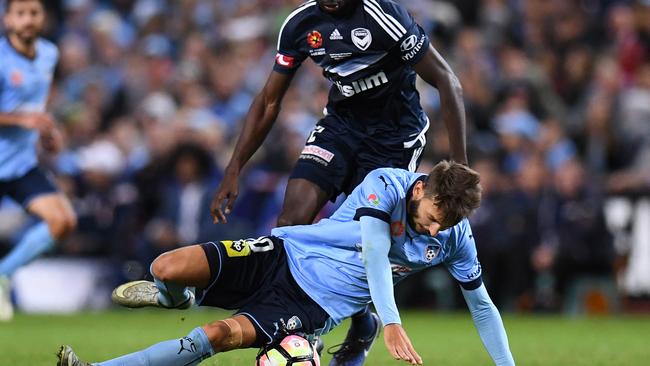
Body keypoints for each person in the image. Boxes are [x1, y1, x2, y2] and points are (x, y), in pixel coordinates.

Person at [58, 161, 514, 366]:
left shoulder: (455, 235)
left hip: (314, 303)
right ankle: (172, 297)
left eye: (448, 223)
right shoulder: (387, 184)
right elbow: (375, 249)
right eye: (435, 217)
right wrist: (391, 321)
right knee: (166, 266)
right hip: (285, 252)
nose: (437, 231)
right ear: (420, 191)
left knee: (219, 336)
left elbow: (482, 306)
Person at [210, 0, 468, 362]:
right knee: (290, 221)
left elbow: (446, 80)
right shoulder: (300, 24)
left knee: (367, 242)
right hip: (340, 130)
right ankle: (294, 326)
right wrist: (235, 166)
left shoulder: (385, 16)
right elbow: (270, 100)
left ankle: (363, 323)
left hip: (394, 139)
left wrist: (461, 169)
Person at [0, 0, 77, 321]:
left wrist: (47, 131)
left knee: (63, 221)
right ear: (8, 19)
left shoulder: (49, 54)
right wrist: (22, 121)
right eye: (21, 14)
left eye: (34, 13)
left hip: (19, 164)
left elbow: (36, 106)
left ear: (43, 17)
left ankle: (2, 275)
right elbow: (24, 113)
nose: (28, 20)